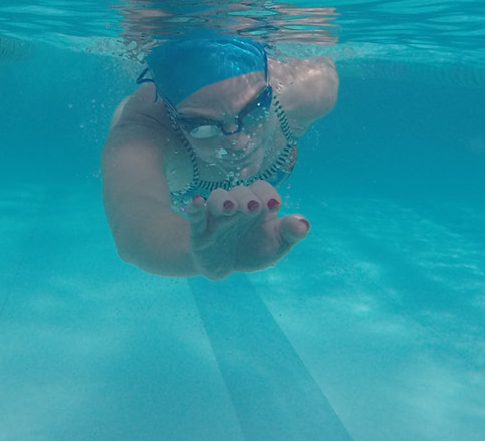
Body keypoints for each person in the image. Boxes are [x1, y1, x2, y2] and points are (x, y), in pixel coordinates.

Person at [101, 33, 337, 280]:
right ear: (173, 117)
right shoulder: (146, 133)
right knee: (123, 125)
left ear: (269, 91)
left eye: (254, 110)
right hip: (145, 122)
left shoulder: (309, 91)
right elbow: (133, 219)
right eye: (202, 126)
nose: (238, 142)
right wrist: (192, 252)